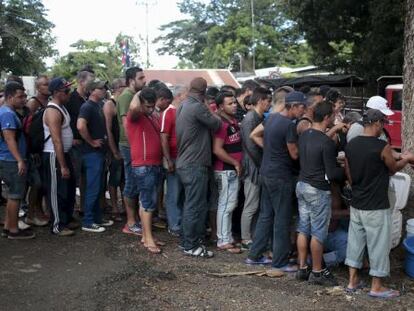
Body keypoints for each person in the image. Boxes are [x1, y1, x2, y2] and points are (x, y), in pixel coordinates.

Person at [344, 109, 412, 298]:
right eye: (382, 123)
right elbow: (392, 169)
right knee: (378, 245)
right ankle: (377, 286)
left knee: (355, 243)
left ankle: (352, 281)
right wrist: (405, 159)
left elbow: (348, 173)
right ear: (376, 123)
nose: (383, 127)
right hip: (376, 204)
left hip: (357, 202)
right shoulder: (381, 146)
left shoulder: (351, 144)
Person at [246, 91, 306, 271]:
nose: (303, 110)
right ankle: (280, 261)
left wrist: (271, 149)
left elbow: (254, 135)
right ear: (293, 106)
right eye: (302, 107)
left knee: (266, 215)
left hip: (266, 172)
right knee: (282, 218)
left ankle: (254, 255)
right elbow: (294, 154)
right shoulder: (289, 125)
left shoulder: (271, 118)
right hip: (281, 176)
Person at [296, 101, 344, 286]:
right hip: (317, 189)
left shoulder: (304, 134)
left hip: (301, 185)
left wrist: (334, 130)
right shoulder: (326, 142)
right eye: (332, 115)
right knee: (318, 232)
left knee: (303, 227)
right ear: (326, 117)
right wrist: (346, 170)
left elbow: (318, 141)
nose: (333, 118)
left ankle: (302, 268)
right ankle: (317, 271)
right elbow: (332, 174)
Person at [176, 77, 222, 258]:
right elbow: (217, 124)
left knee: (190, 204)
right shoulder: (197, 106)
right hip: (194, 164)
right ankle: (191, 245)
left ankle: (186, 241)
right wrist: (212, 111)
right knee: (195, 206)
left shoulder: (183, 105)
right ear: (204, 92)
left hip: (186, 162)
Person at [127, 88, 163, 253]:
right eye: (147, 106)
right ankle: (148, 238)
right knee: (148, 202)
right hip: (143, 164)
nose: (150, 109)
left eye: (152, 106)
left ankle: (145, 235)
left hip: (153, 163)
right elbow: (134, 108)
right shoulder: (135, 116)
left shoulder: (151, 116)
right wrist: (138, 93)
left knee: (147, 201)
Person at [77, 80, 113, 233]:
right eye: (101, 88)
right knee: (92, 188)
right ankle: (88, 221)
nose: (105, 89)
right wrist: (91, 142)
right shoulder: (87, 106)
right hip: (91, 154)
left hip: (98, 153)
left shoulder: (97, 105)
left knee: (98, 188)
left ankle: (97, 218)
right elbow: (80, 125)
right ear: (92, 90)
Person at [43, 77, 77, 236]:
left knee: (68, 188)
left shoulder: (61, 107)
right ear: (56, 93)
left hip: (64, 154)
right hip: (54, 155)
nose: (69, 93)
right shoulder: (52, 111)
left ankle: (66, 218)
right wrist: (62, 165)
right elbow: (56, 140)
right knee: (57, 191)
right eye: (66, 91)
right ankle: (57, 224)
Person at [0, 82, 34, 239]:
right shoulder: (7, 113)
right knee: (15, 195)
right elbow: (9, 138)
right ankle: (13, 230)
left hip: (10, 159)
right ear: (9, 97)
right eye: (20, 96)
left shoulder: (9, 112)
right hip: (11, 160)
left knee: (14, 195)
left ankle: (8, 226)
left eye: (25, 96)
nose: (24, 99)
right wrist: (19, 160)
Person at [239, 87, 271, 250]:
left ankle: (252, 236)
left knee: (255, 205)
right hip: (252, 166)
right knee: (251, 204)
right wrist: (262, 164)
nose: (270, 104)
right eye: (268, 101)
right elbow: (251, 147)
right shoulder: (251, 118)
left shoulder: (257, 117)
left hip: (256, 165)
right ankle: (245, 238)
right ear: (260, 101)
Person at [116, 66, 146, 235]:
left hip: (132, 145)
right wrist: (135, 145)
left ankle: (135, 220)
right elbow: (126, 124)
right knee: (131, 182)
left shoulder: (134, 96)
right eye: (141, 78)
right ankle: (131, 222)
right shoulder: (127, 97)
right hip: (129, 145)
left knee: (135, 181)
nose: (144, 80)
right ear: (131, 80)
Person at [212, 91, 243, 253]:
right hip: (225, 170)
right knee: (225, 205)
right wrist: (235, 162)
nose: (234, 105)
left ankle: (227, 236)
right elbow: (217, 149)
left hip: (231, 170)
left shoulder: (233, 121)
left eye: (235, 102)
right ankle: (222, 240)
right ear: (220, 107)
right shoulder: (222, 124)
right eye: (230, 103)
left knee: (231, 204)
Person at [65, 70, 95, 214]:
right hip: (76, 144)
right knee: (73, 178)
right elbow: (65, 121)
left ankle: (84, 207)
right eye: (91, 81)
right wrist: (72, 138)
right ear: (81, 81)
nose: (93, 85)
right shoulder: (71, 99)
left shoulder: (90, 98)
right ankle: (69, 210)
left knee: (86, 178)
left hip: (88, 144)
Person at [25, 75, 50, 226]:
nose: (48, 86)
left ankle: (40, 210)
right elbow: (28, 127)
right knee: (37, 183)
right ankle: (32, 212)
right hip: (35, 149)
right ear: (38, 87)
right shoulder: (33, 103)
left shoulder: (49, 101)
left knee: (44, 182)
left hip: (45, 147)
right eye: (45, 85)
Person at [160, 87, 183, 237]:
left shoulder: (181, 111)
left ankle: (180, 222)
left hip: (183, 158)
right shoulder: (169, 112)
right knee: (173, 193)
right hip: (173, 157)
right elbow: (164, 137)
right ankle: (174, 225)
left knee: (181, 193)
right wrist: (168, 159)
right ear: (179, 95)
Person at [103, 78, 126, 221]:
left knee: (123, 178)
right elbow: (108, 130)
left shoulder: (122, 103)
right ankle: (114, 207)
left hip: (123, 146)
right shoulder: (109, 105)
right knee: (114, 178)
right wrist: (114, 150)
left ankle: (125, 204)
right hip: (115, 146)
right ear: (118, 88)